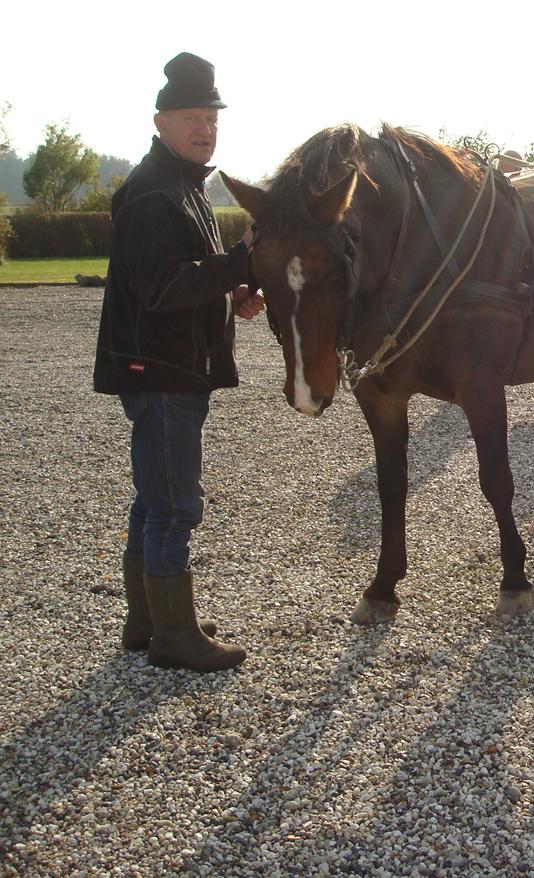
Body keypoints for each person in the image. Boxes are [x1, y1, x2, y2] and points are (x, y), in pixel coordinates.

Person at [93, 52, 265, 672]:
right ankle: (174, 637)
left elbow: (184, 279)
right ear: (161, 122)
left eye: (212, 118)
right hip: (161, 373)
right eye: (192, 118)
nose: (205, 129)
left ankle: (149, 621)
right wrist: (241, 259)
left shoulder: (181, 187)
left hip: (169, 368)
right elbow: (162, 288)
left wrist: (232, 295)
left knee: (152, 499)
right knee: (173, 505)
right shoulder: (150, 195)